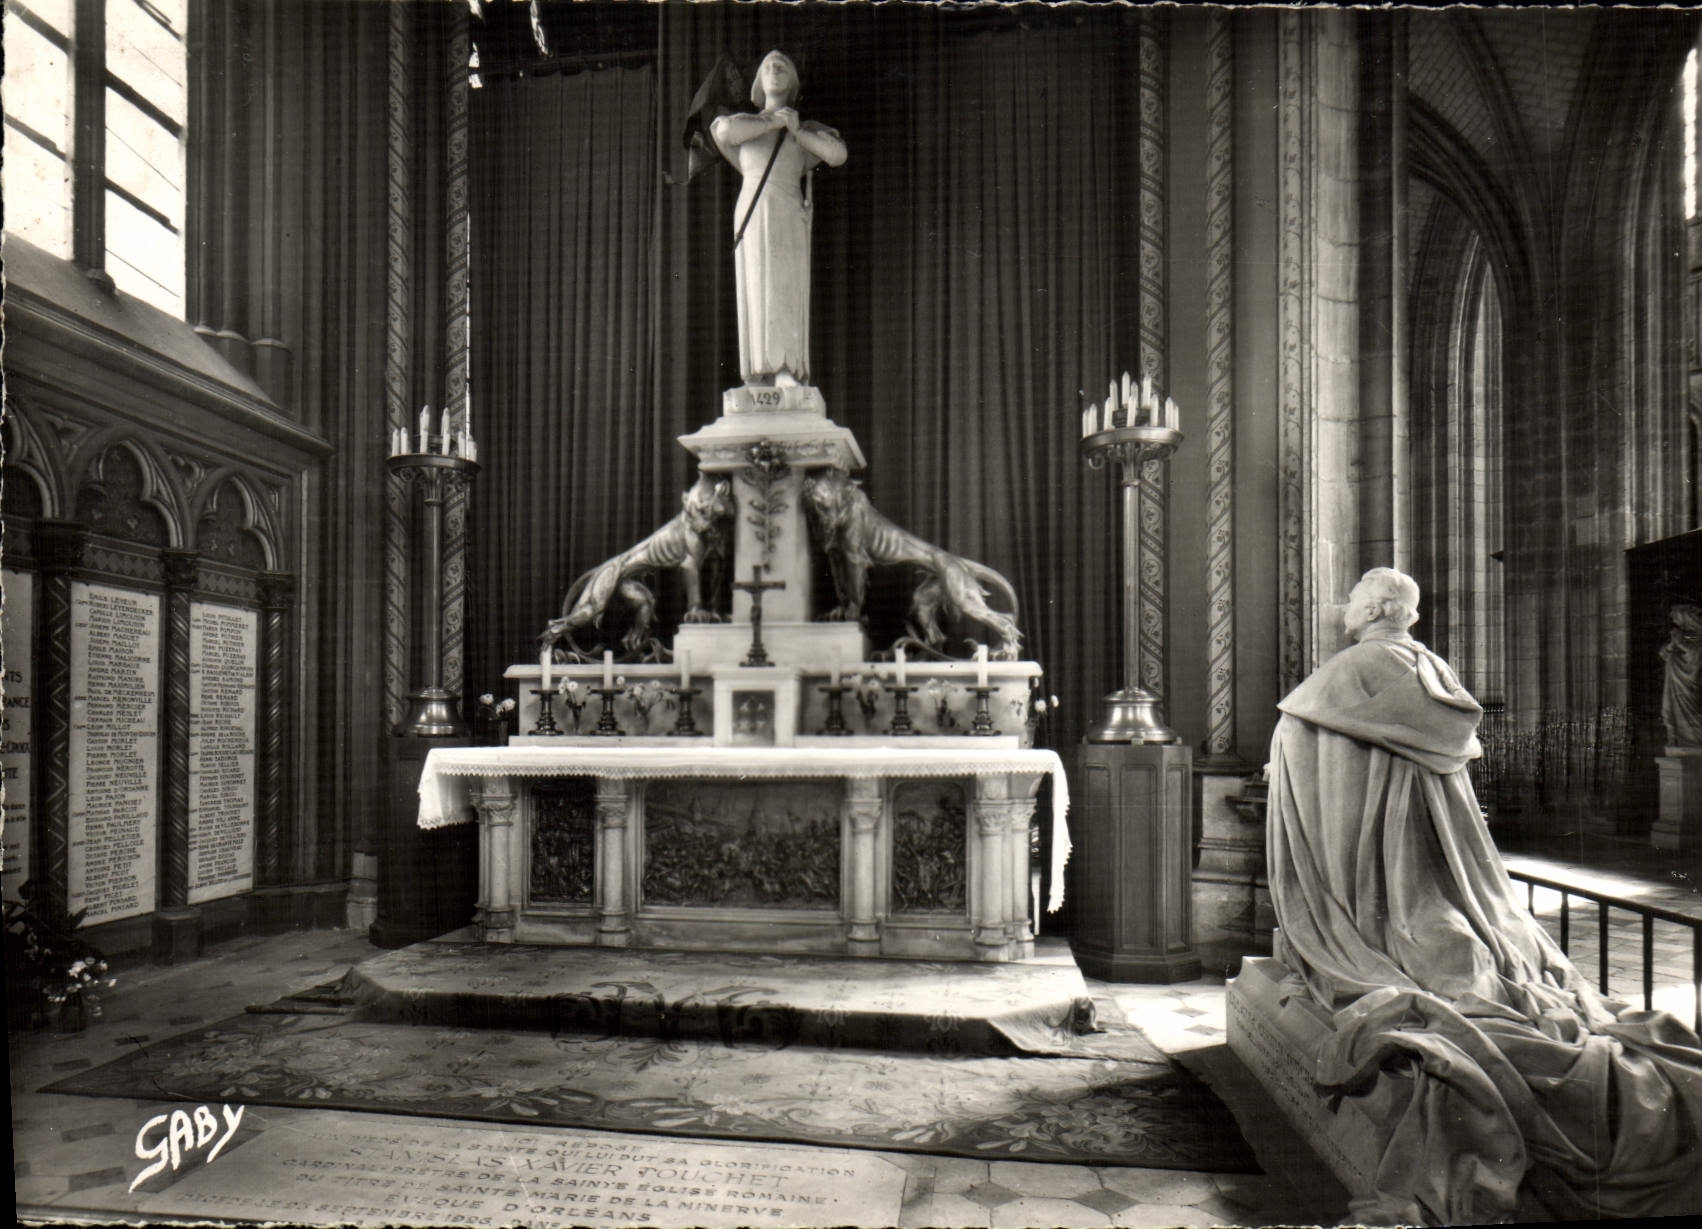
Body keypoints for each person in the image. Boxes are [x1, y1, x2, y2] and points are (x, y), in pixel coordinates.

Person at [1266, 567, 1702, 1224]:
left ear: (1380, 605)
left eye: (1356, 596)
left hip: (1378, 900)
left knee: (1437, 955)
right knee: (1474, 947)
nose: (1347, 608)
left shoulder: (1350, 673)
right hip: (1447, 885)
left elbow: (1313, 779)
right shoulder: (1434, 672)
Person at [711, 51, 846, 388]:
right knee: (755, 287)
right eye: (768, 66)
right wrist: (774, 121)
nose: (774, 69)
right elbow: (723, 132)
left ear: (793, 81)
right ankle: (756, 372)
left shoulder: (804, 130)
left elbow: (837, 154)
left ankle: (785, 368)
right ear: (758, 82)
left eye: (782, 66)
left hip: (786, 210)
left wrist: (796, 130)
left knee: (783, 289)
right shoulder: (747, 124)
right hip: (753, 210)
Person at [1659, 601, 1702, 747]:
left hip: (1688, 683)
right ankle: (1675, 738)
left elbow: (1696, 655)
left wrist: (1680, 643)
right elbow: (1663, 653)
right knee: (1670, 710)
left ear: (1685, 617)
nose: (1674, 621)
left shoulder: (1697, 635)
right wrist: (1673, 643)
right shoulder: (1680, 635)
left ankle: (1691, 740)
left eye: (1676, 618)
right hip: (1674, 683)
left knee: (1692, 712)